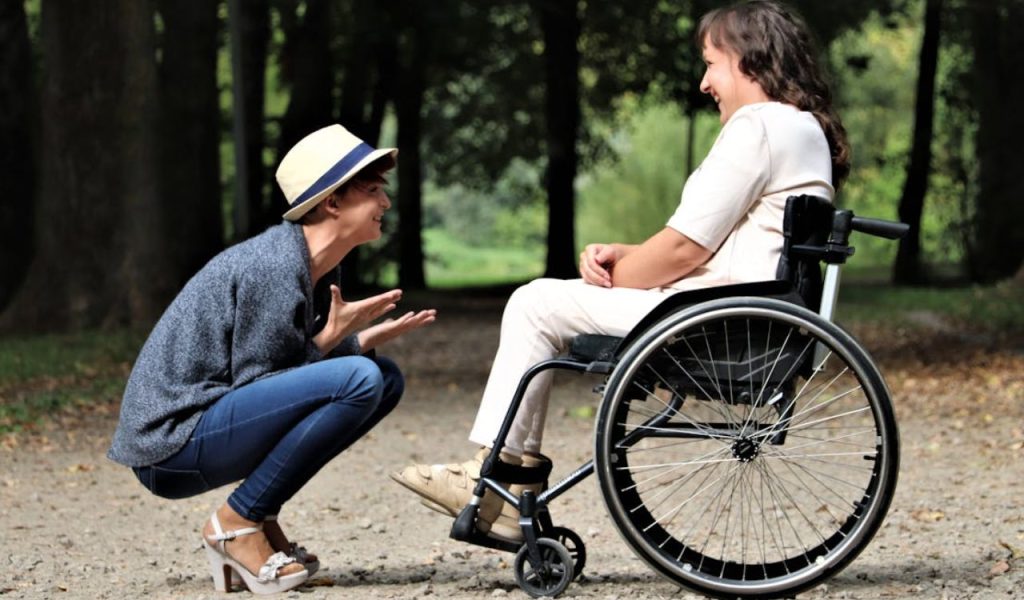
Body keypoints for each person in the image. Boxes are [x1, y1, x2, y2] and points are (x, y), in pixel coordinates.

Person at [391, 0, 849, 543]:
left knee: (535, 303)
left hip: (717, 319)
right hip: (746, 310)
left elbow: (682, 251)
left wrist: (617, 275)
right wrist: (624, 255)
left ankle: (498, 482)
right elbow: (719, 246)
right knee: (546, 301)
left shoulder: (760, 125)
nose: (704, 83)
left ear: (748, 59)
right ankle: (506, 480)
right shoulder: (801, 128)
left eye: (710, 64)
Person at [108, 124, 436, 594]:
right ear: (333, 202)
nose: (385, 202)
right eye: (372, 191)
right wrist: (337, 339)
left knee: (384, 378)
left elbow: (284, 378)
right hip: (170, 444)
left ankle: (256, 516)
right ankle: (237, 523)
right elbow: (262, 383)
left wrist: (355, 341)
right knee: (362, 378)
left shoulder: (313, 265)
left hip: (209, 424)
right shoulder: (274, 266)